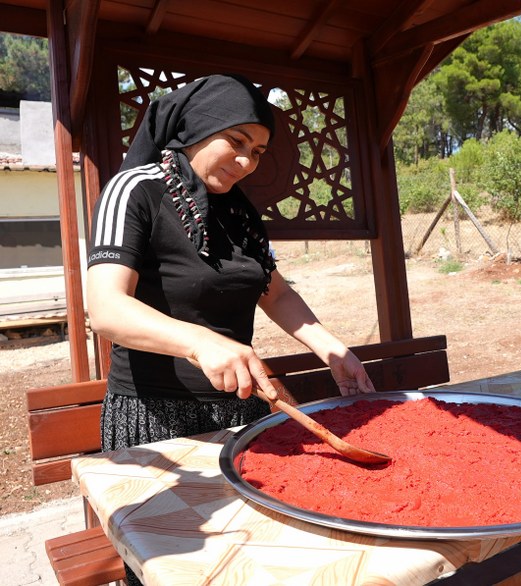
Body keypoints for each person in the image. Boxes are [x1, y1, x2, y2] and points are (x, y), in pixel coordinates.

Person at [86, 73, 375, 455]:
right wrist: (200, 343)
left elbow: (276, 294)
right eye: (237, 141)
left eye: (257, 152)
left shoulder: (240, 212)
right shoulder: (135, 190)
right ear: (197, 126)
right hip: (155, 418)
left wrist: (336, 354)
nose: (245, 161)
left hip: (240, 409)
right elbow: (106, 310)